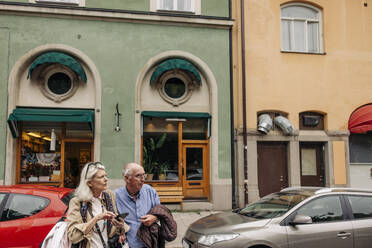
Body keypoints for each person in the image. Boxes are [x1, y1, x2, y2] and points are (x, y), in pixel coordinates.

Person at [67, 162, 130, 248]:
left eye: (105, 176)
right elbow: (73, 236)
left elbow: (114, 231)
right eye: (101, 177)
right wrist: (97, 218)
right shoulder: (77, 202)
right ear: (89, 183)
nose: (106, 179)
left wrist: (119, 224)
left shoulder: (109, 196)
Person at [115, 162, 160, 248]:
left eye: (144, 175)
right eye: (138, 176)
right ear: (127, 178)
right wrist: (120, 232)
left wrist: (154, 217)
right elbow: (113, 221)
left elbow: (160, 212)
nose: (143, 179)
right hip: (129, 244)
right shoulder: (116, 196)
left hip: (150, 243)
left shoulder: (150, 191)